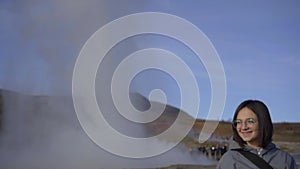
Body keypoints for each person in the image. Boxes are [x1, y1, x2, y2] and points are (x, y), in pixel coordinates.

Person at [217, 100, 298, 169]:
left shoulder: (285, 159)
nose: (243, 127)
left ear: (263, 122)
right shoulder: (229, 159)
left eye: (250, 121)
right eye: (238, 122)